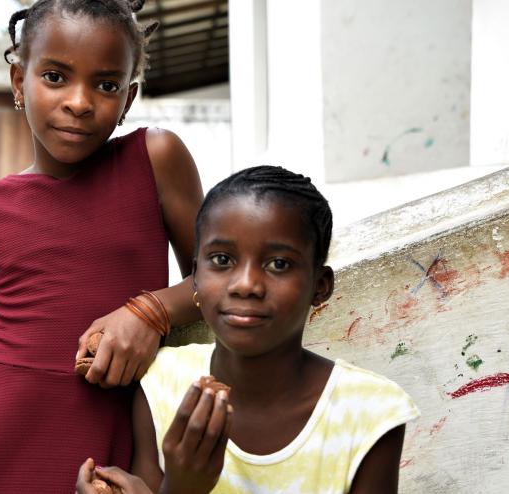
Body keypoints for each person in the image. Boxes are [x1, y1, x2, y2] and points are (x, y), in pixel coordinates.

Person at [0, 1, 204, 492]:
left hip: (96, 466)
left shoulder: (155, 159)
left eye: (105, 85)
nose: (79, 101)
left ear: (128, 98)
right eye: (55, 77)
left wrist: (149, 311)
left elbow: (218, 279)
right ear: (19, 82)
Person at [77, 166, 420, 494]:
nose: (246, 285)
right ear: (195, 275)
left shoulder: (369, 411)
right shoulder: (163, 383)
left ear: (320, 285)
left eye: (279, 264)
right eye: (223, 260)